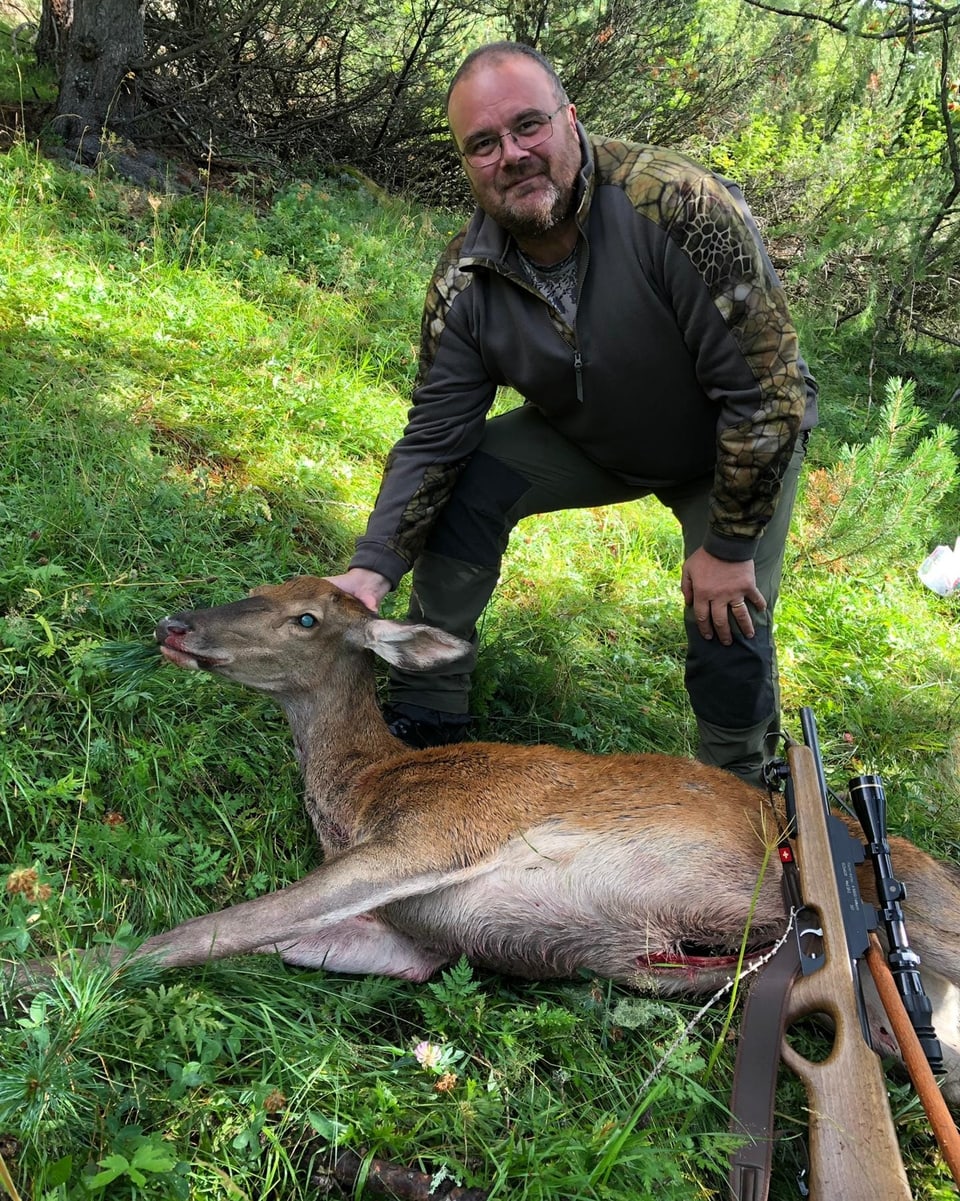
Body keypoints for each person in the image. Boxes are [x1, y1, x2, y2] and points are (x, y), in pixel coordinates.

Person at [326, 40, 818, 786]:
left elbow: (767, 393)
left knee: (728, 611)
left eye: (529, 126)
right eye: (483, 144)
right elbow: (435, 434)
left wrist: (727, 545)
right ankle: (428, 707)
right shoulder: (467, 278)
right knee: (464, 482)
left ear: (572, 120)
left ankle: (739, 782)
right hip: (598, 437)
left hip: (734, 444)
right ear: (465, 163)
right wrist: (373, 567)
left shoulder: (678, 207)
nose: (513, 154)